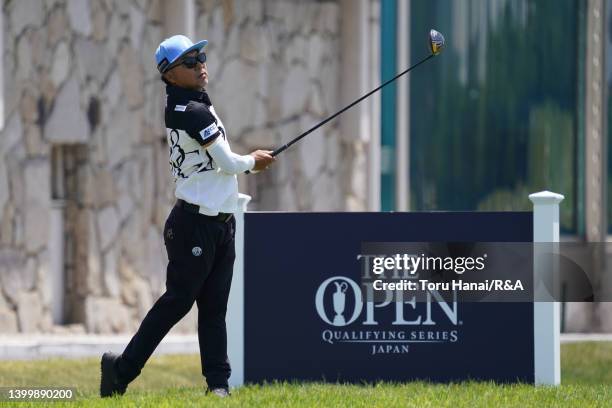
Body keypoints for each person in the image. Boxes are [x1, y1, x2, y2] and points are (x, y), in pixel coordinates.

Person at [100, 34, 275, 398]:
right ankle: (120, 370)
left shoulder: (197, 103)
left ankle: (218, 386)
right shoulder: (190, 111)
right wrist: (253, 163)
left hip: (221, 224)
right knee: (177, 302)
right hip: (193, 225)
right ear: (170, 75)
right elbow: (227, 162)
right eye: (190, 62)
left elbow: (220, 165)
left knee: (214, 309)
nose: (200, 66)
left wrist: (246, 164)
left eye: (201, 57)